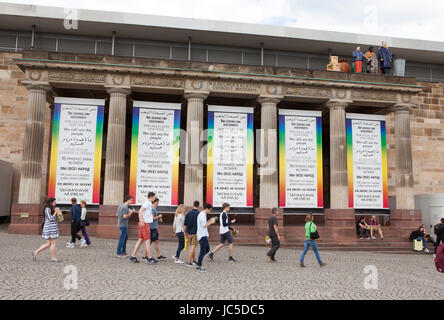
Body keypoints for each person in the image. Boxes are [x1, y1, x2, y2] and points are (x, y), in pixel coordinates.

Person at [129, 192, 157, 264]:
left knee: (140, 240)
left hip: (144, 223)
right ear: (150, 197)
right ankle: (149, 258)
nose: (154, 198)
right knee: (147, 241)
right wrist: (141, 221)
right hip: (145, 224)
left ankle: (133, 256)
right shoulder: (147, 203)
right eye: (154, 197)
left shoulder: (148, 203)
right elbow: (140, 211)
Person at [33, 198, 61, 262]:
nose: (55, 203)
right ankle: (53, 257)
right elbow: (50, 219)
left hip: (52, 227)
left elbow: (56, 219)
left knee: (48, 244)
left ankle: (35, 252)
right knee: (53, 243)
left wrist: (58, 213)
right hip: (50, 228)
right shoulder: (47, 209)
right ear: (51, 202)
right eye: (54, 202)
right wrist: (55, 212)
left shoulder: (51, 209)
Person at [196, 203, 216, 272]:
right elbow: (204, 226)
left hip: (204, 234)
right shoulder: (202, 215)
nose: (210, 211)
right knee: (203, 251)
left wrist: (209, 220)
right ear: (207, 209)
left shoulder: (203, 214)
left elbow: (204, 224)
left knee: (207, 249)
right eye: (210, 210)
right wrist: (211, 222)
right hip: (202, 235)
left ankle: (199, 260)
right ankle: (199, 266)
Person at [184, 200, 201, 267]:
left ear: (193, 205)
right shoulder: (199, 214)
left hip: (189, 232)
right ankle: (188, 261)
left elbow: (185, 224)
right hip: (196, 232)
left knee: (192, 246)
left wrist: (185, 232)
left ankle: (194, 259)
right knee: (193, 246)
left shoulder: (188, 213)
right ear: (198, 206)